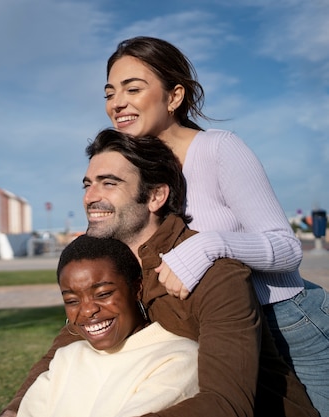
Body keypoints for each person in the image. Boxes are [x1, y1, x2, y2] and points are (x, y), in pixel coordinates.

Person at [0, 129, 318, 417]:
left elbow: (226, 404)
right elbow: (66, 341)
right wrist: (14, 410)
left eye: (109, 183)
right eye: (88, 184)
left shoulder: (215, 274)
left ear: (156, 196)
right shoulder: (114, 262)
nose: (90, 197)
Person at [103, 36, 329, 414]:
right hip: (217, 331)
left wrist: (208, 245)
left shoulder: (220, 149)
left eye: (133, 88)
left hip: (287, 323)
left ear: (174, 97)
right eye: (110, 93)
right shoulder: (140, 170)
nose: (117, 103)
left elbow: (287, 250)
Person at [18, 234, 199, 417]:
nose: (88, 310)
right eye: (72, 300)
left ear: (136, 289)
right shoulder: (66, 358)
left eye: (103, 294)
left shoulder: (178, 359)